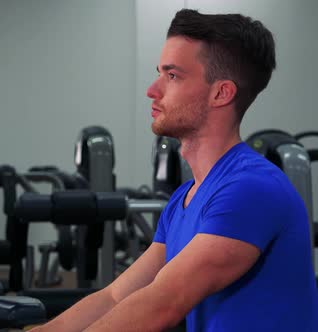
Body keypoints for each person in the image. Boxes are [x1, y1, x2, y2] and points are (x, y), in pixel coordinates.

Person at [32, 9, 318, 332]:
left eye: (172, 76)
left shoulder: (251, 188)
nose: (152, 90)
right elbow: (115, 297)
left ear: (221, 93)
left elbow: (162, 303)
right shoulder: (184, 199)